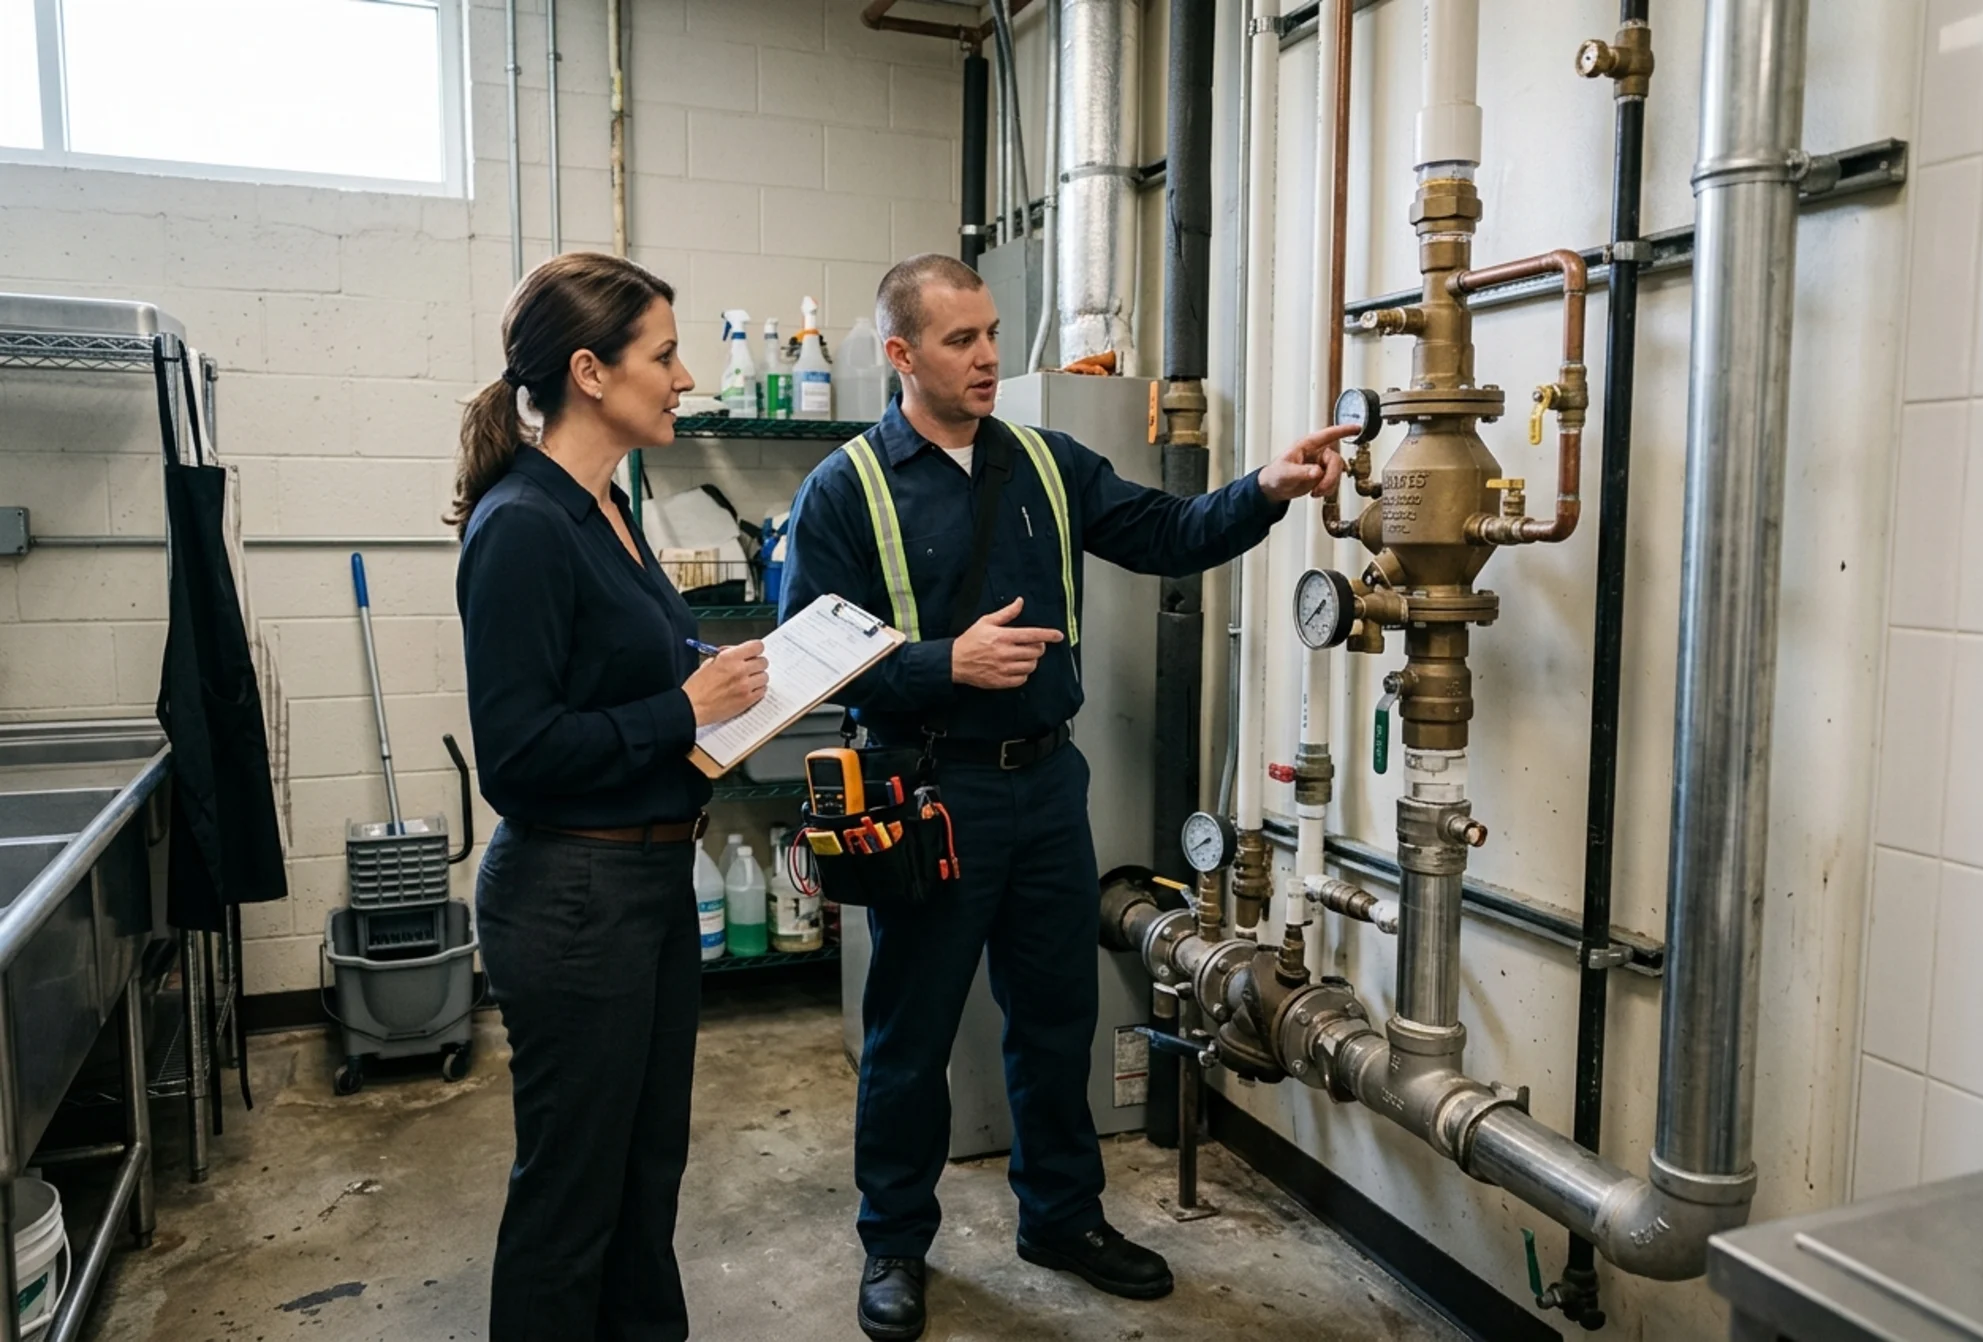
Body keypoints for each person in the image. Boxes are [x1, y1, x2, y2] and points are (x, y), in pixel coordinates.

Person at [780, 253, 1352, 1341]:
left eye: (992, 332)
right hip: (926, 795)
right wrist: (942, 664)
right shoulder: (843, 490)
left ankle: (1060, 1217)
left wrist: (1265, 490)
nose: (989, 354)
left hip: (1045, 785)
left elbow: (1164, 531)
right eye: (959, 340)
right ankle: (894, 1241)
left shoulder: (1046, 463)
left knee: (1056, 1019)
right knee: (911, 1035)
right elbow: (807, 662)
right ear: (901, 355)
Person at [451, 252, 769, 1342]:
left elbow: (641, 672)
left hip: (640, 879)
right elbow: (518, 754)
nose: (685, 379)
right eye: (665, 355)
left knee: (645, 1169)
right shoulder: (524, 525)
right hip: (571, 896)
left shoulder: (606, 509)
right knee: (571, 1195)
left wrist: (737, 682)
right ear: (589, 371)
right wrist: (684, 708)